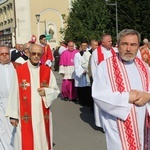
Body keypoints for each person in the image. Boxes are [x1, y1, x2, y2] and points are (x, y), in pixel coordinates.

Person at [92, 29, 150, 150]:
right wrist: (127, 97)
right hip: (118, 124)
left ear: (138, 47)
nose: (129, 49)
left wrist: (148, 96)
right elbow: (98, 94)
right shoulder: (105, 66)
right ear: (118, 45)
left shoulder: (144, 67)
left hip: (143, 122)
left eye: (133, 45)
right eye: (125, 44)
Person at [6, 44, 60, 150]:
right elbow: (14, 93)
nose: (36, 56)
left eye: (39, 54)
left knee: (42, 139)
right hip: (25, 114)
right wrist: (13, 115)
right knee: (25, 142)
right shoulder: (20, 71)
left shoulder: (47, 71)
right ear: (29, 53)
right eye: (34, 53)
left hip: (42, 114)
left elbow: (56, 90)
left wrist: (46, 91)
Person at [91, 34, 116, 127]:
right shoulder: (96, 53)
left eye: (111, 41)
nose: (111, 42)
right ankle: (101, 123)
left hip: (112, 83)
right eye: (109, 41)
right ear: (103, 42)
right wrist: (98, 82)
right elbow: (94, 69)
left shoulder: (113, 51)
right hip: (102, 82)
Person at [0, 45, 20, 149]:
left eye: (6, 53)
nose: (4, 56)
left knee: (15, 129)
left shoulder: (18, 66)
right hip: (1, 103)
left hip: (16, 102)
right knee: (2, 129)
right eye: (2, 54)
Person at [74, 41, 92, 107]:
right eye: (83, 45)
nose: (84, 47)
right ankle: (82, 101)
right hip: (81, 73)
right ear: (81, 46)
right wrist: (82, 71)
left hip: (87, 73)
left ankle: (88, 101)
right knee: (81, 88)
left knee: (87, 88)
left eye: (85, 45)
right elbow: (77, 65)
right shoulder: (77, 55)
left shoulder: (89, 53)